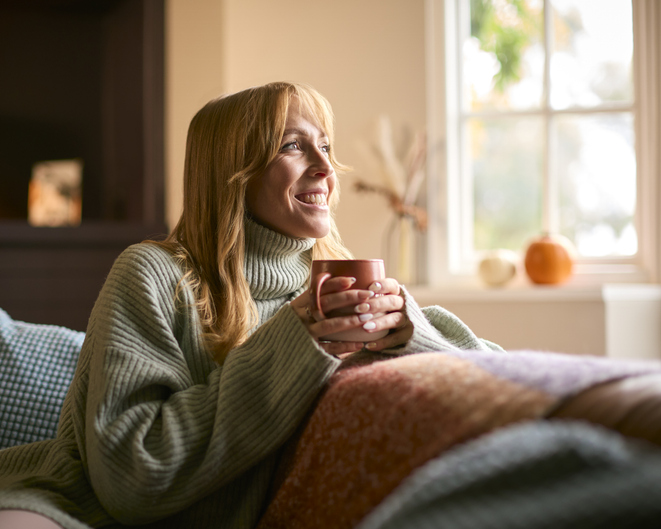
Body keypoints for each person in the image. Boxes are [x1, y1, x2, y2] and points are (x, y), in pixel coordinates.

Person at [0, 81, 502, 529]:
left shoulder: (334, 282)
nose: (327, 167)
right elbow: (131, 474)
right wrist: (291, 345)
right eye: (293, 146)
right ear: (232, 174)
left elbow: (500, 374)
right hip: (76, 506)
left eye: (325, 145)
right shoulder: (153, 273)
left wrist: (407, 329)